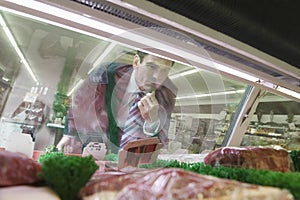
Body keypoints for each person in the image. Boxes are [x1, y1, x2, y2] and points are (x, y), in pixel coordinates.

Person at [56, 50, 177, 153]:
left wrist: (153, 122)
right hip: (95, 146)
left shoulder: (167, 93)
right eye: (151, 66)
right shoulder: (107, 73)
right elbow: (81, 101)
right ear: (136, 62)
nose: (157, 76)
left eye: (165, 70)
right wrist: (69, 134)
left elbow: (161, 137)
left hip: (130, 159)